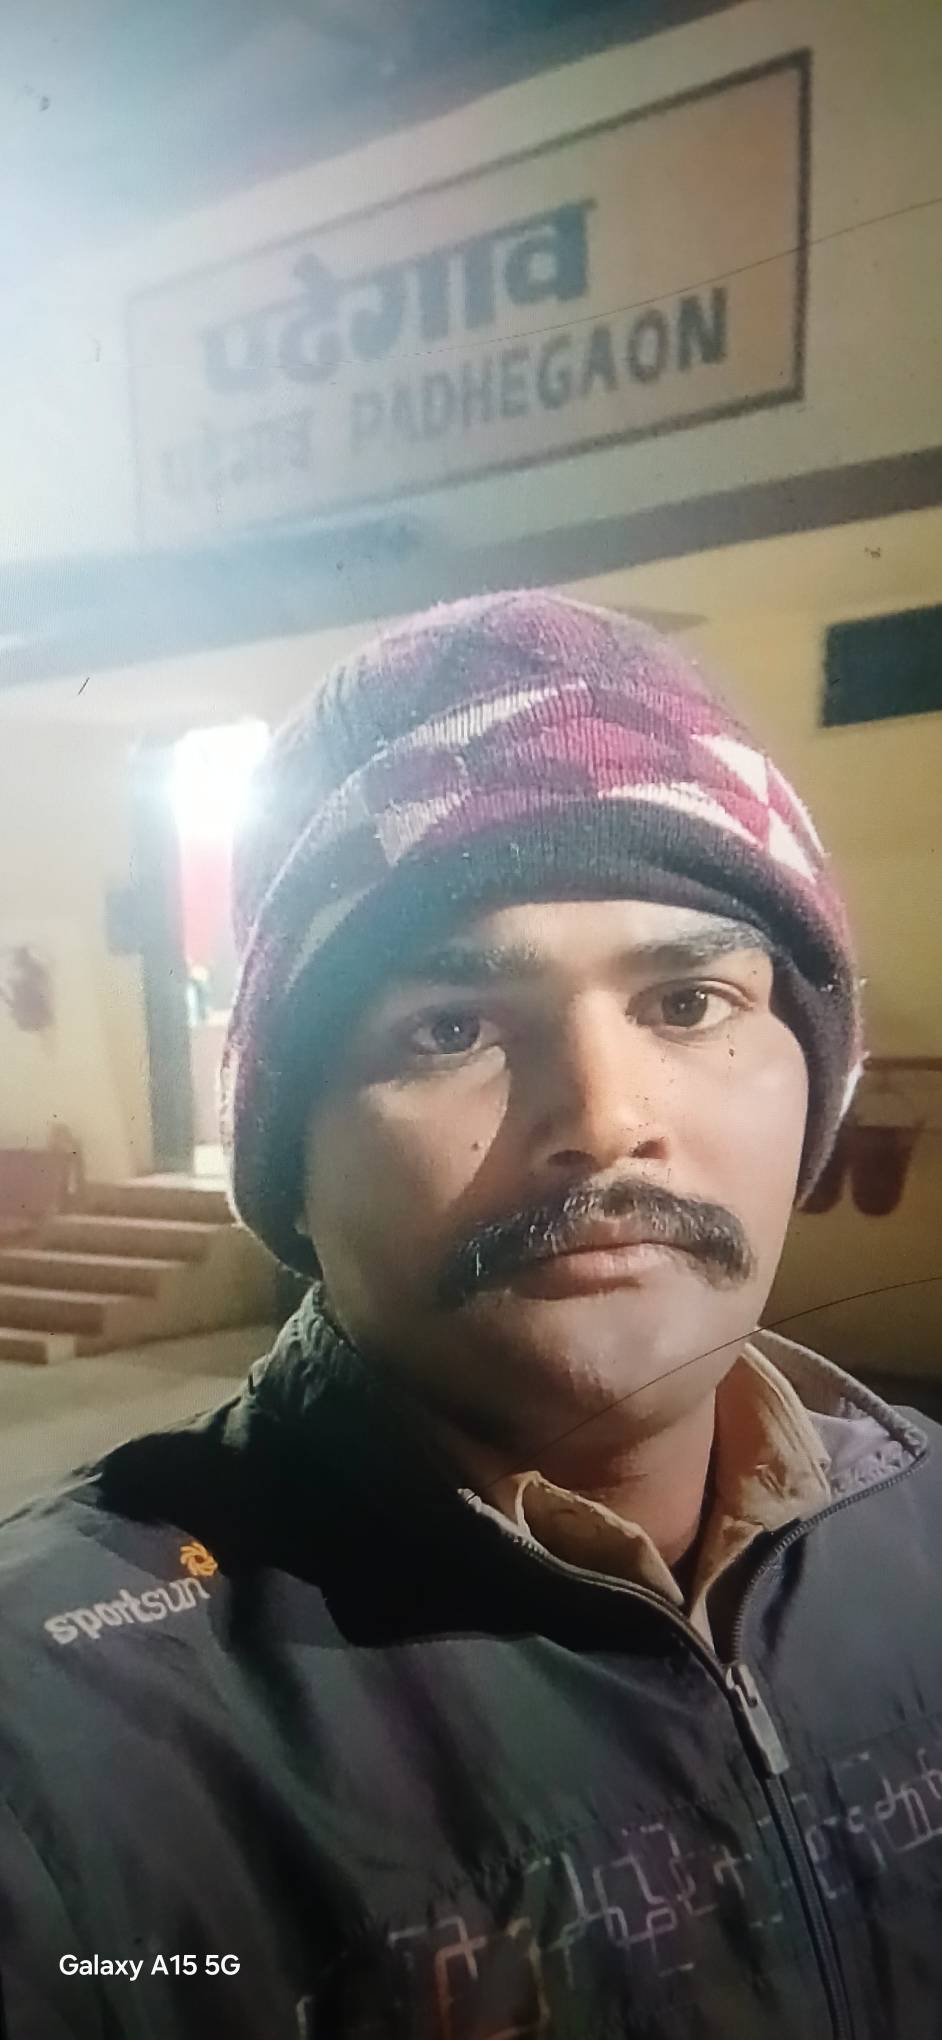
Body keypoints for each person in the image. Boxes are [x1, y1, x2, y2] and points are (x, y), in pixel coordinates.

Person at [1, 591, 939, 2040]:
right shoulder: (65, 1740)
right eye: (450, 1028)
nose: (606, 1121)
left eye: (688, 1003)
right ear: (293, 1158)